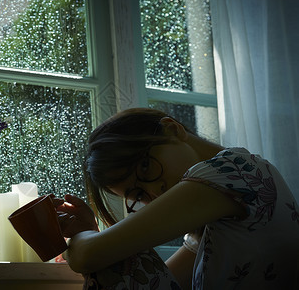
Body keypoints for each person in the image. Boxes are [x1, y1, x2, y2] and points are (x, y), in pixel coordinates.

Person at [54, 108, 299, 290]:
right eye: (139, 194)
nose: (155, 191)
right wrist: (89, 234)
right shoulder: (208, 228)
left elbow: (89, 255)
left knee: (114, 260)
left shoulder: (233, 170)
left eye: (146, 167)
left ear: (173, 129)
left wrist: (82, 237)